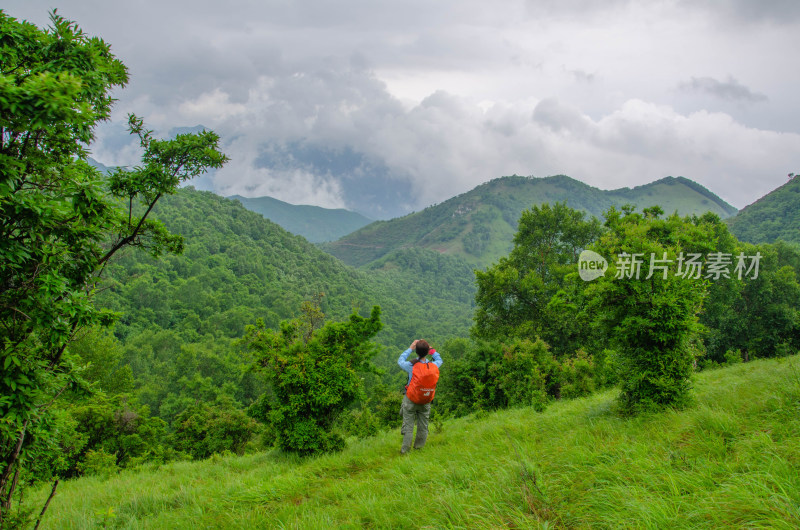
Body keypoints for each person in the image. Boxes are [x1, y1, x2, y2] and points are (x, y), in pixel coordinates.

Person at [397, 339, 443, 454]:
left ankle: (405, 451)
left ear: (416, 352)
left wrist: (410, 348)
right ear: (427, 352)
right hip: (426, 400)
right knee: (423, 426)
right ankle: (419, 449)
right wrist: (431, 350)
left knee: (409, 426)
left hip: (411, 399)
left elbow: (400, 361)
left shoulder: (411, 365)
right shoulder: (433, 365)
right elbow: (439, 359)